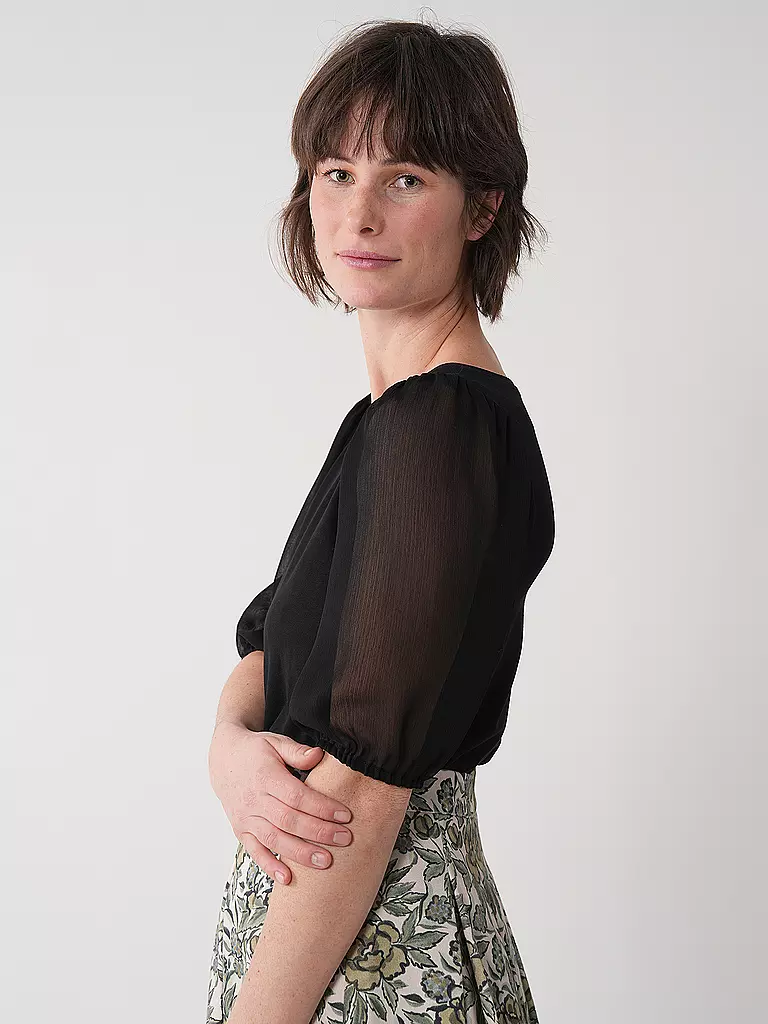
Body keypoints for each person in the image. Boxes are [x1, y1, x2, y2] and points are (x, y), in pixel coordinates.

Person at [206, 17, 554, 1024]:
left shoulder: (440, 426)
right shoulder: (394, 420)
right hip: (336, 944)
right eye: (335, 171)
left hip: (377, 958)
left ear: (481, 206)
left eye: (405, 177)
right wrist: (228, 743)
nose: (358, 213)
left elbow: (360, 791)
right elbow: (275, 645)